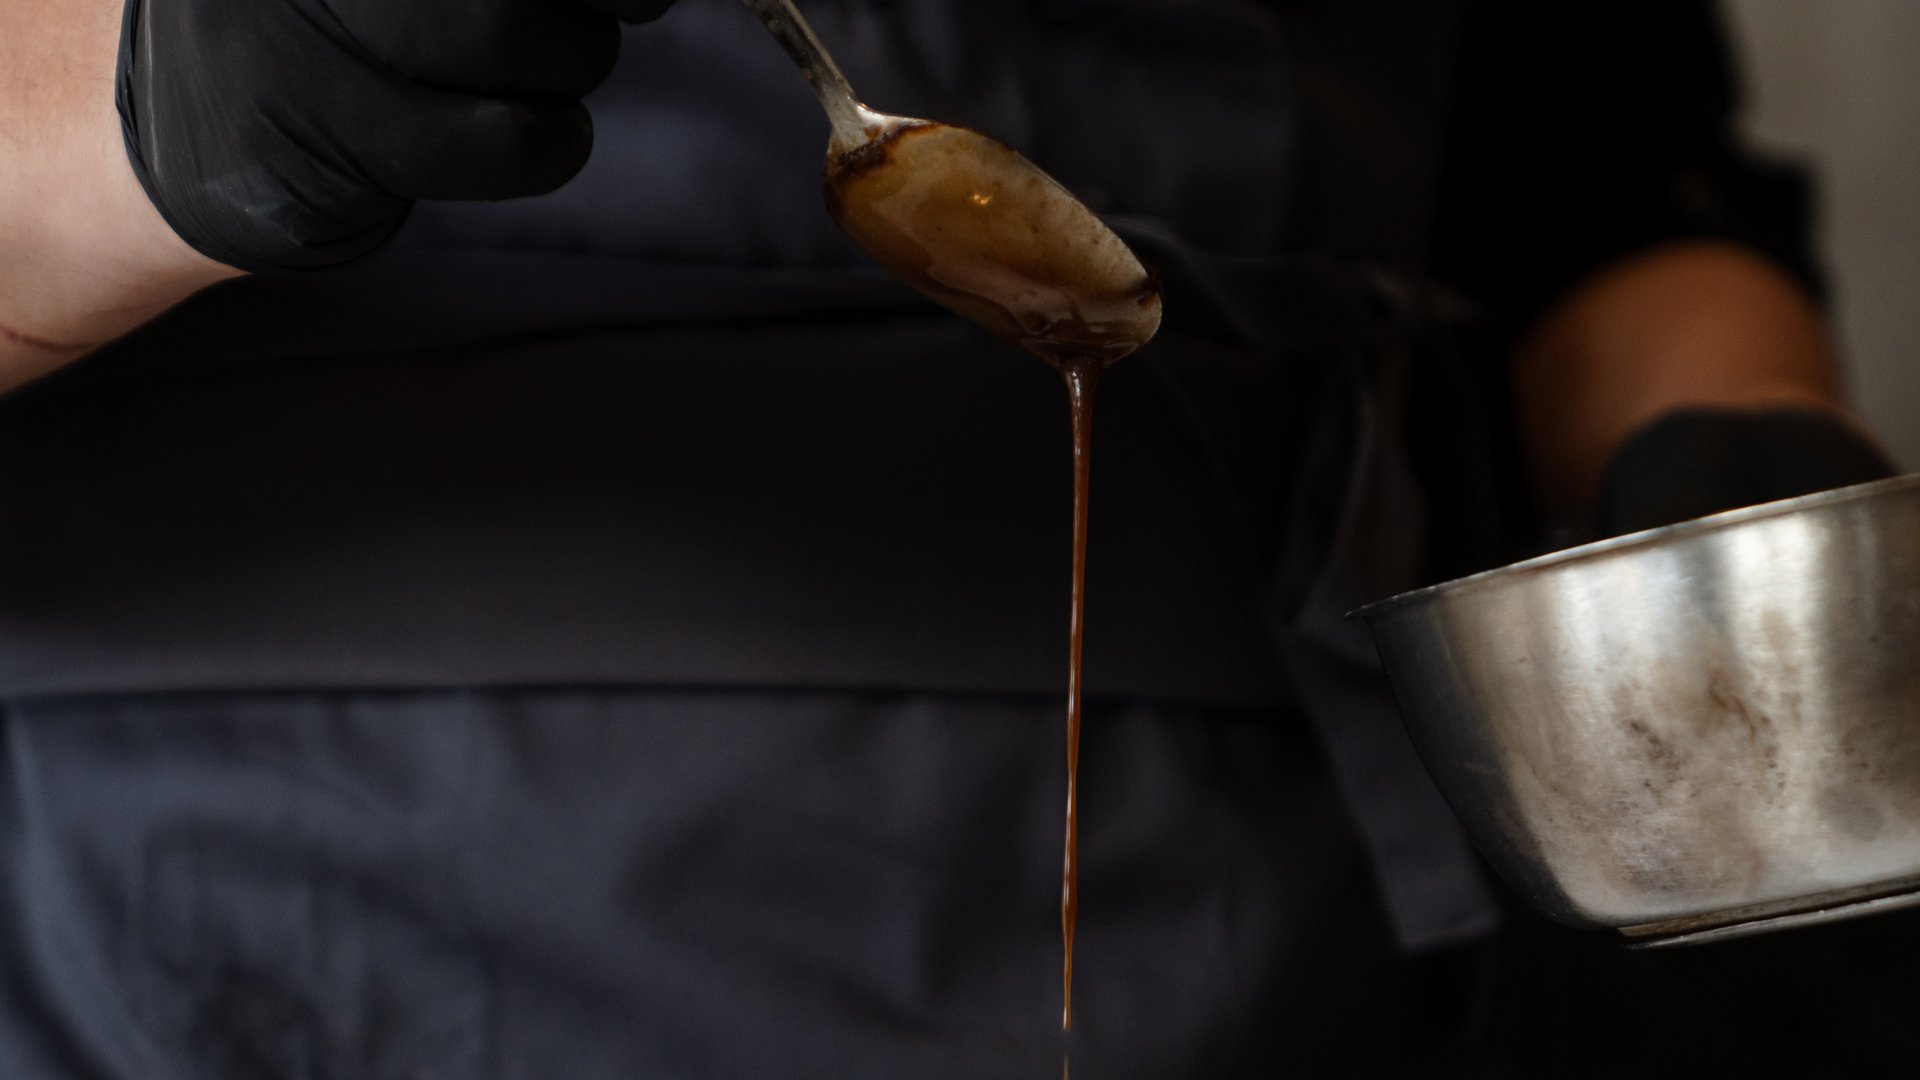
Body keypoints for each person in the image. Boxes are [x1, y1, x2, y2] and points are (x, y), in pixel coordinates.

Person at [0, 0, 1906, 1076]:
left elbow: (1599, 193)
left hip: (1277, 931)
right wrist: (151, 102)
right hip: (272, 915)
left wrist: (1737, 469)